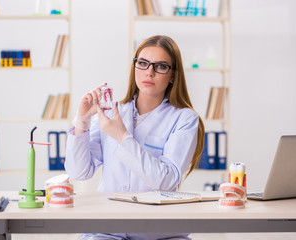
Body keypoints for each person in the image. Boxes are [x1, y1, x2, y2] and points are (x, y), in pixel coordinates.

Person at [65, 35, 205, 240]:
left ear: (173, 75)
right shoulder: (112, 112)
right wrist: (82, 121)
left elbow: (166, 180)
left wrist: (122, 137)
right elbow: (79, 172)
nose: (149, 72)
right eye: (143, 63)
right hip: (107, 230)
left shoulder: (184, 118)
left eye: (161, 66)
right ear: (135, 67)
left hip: (159, 233)